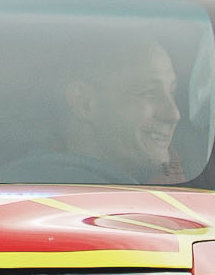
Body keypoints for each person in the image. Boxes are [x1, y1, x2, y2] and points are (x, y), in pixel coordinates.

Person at [13, 28, 187, 185]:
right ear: (85, 103)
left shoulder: (182, 189)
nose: (174, 114)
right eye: (148, 93)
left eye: (172, 92)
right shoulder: (29, 194)